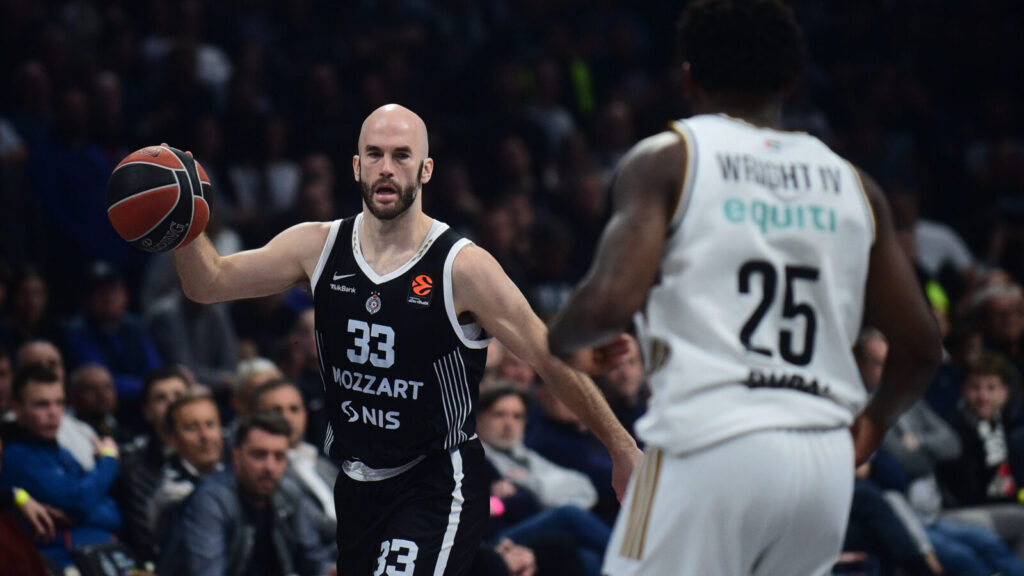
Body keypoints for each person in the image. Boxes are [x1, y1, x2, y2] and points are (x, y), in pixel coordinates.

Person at [546, 1, 943, 574]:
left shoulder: (670, 159)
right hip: (823, 462)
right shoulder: (854, 185)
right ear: (791, 80)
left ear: (687, 77)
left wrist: (564, 336)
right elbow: (923, 346)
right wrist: (874, 423)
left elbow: (608, 303)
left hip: (711, 442)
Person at [169, 103, 639, 575]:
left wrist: (621, 448)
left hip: (436, 481)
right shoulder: (317, 246)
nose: (387, 168)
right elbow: (207, 283)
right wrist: (180, 218)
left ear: (426, 168)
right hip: (356, 485)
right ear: (356, 166)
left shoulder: (463, 267)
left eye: (401, 155)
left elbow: (548, 356)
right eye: (373, 154)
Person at [172, 412, 333, 576]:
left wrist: (331, 570)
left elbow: (312, 557)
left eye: (279, 457)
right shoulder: (211, 500)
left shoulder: (287, 493)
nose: (270, 467)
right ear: (236, 457)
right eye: (259, 455)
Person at [0, 364, 122, 568]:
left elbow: (113, 515)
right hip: (62, 564)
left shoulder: (63, 454)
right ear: (17, 409)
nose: (53, 412)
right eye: (42, 404)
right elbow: (79, 502)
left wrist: (80, 513)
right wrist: (108, 460)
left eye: (59, 403)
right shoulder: (17, 458)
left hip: (99, 558)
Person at [251, 378, 338, 552]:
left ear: (305, 414)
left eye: (294, 409)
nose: (287, 417)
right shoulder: (268, 471)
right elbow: (315, 524)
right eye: (276, 410)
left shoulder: (323, 464)